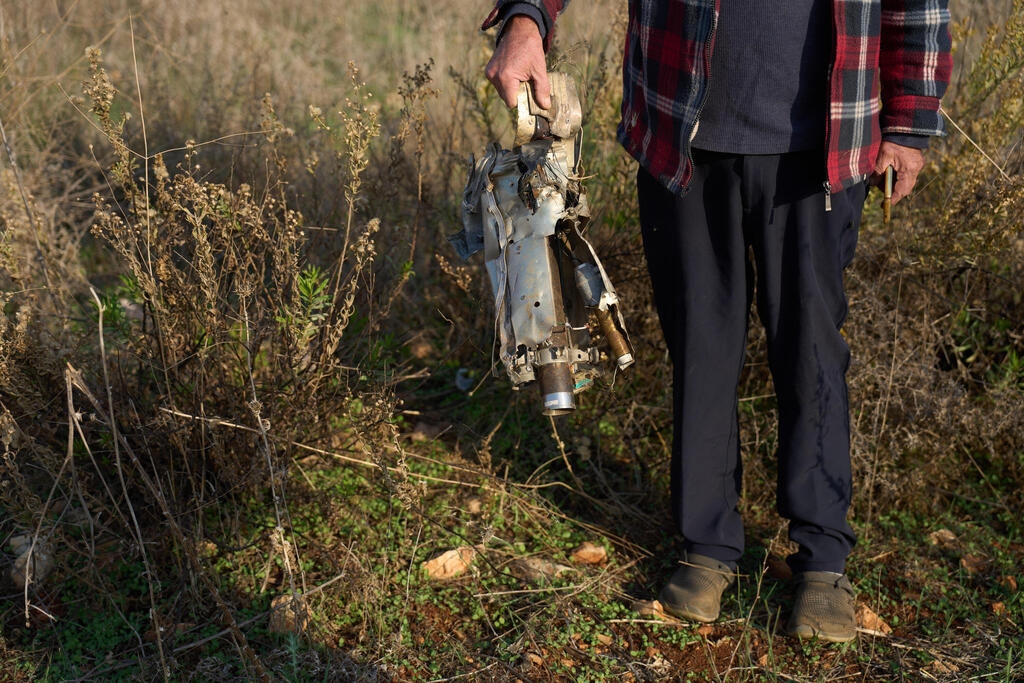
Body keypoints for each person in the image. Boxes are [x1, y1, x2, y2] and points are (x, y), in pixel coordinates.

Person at [482, 0, 951, 641]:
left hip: (822, 145)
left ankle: (822, 561)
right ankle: (706, 547)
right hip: (684, 136)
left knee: (812, 352)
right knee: (701, 346)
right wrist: (525, 20)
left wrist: (909, 122)